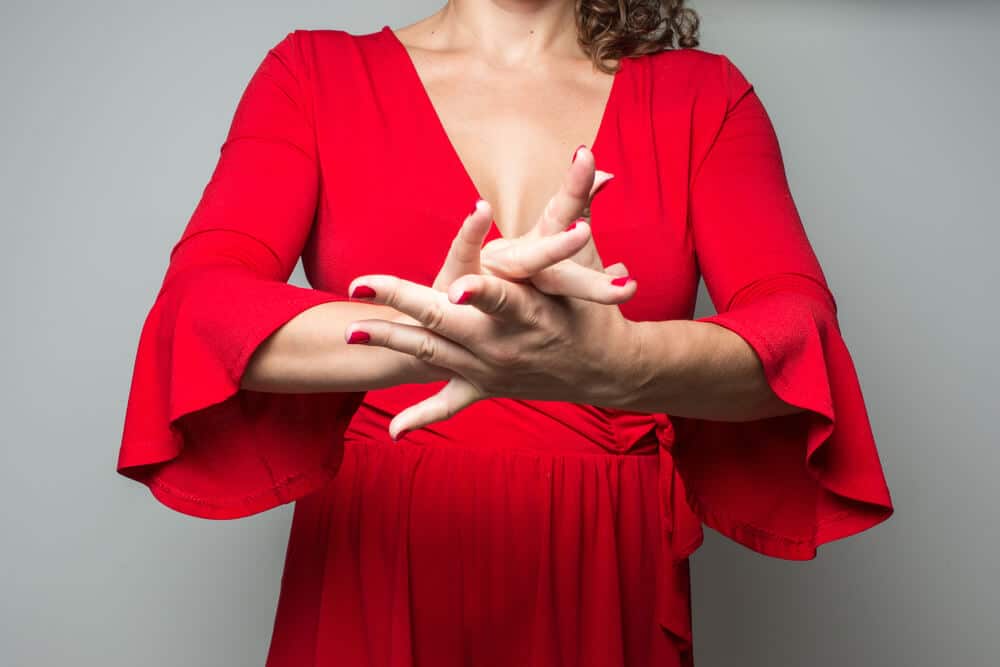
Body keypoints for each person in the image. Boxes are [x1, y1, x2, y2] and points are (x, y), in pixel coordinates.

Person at [116, 3, 894, 665]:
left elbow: (799, 334)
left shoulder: (704, 97)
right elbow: (202, 305)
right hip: (379, 560)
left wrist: (619, 364)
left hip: (605, 569)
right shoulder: (314, 74)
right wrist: (437, 333)